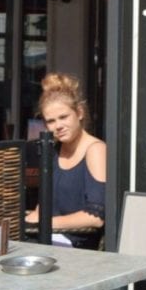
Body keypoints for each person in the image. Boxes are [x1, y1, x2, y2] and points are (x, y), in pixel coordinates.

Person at [24, 72, 106, 250]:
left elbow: (96, 217)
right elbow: (44, 205)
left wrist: (44, 222)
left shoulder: (95, 150)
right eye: (51, 121)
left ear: (79, 113)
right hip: (47, 240)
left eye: (63, 117)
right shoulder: (54, 150)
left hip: (76, 246)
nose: (58, 126)